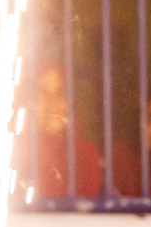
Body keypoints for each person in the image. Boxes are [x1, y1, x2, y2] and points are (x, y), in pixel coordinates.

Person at [17, 63, 103, 198]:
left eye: (60, 93)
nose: (53, 102)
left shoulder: (85, 155)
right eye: (41, 93)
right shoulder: (16, 154)